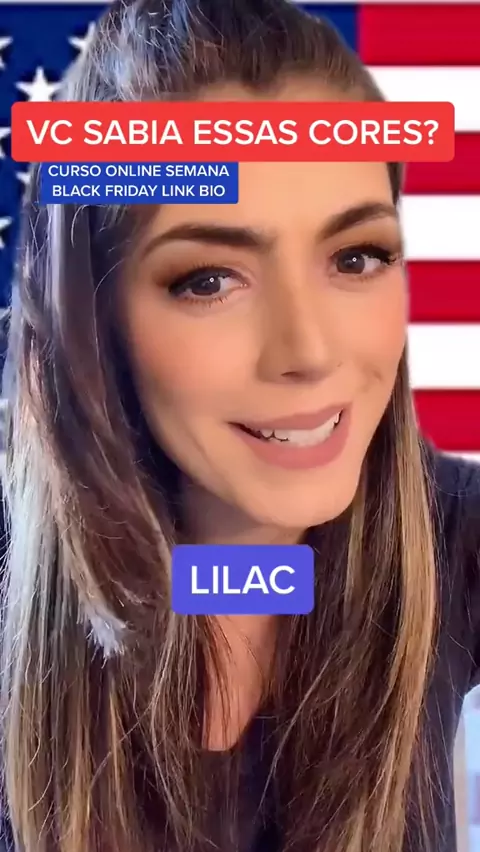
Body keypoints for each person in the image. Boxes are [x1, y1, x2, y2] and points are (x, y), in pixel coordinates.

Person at [1, 0, 479, 851]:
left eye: (355, 258)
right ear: (92, 325)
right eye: (209, 279)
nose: (310, 352)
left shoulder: (456, 535)